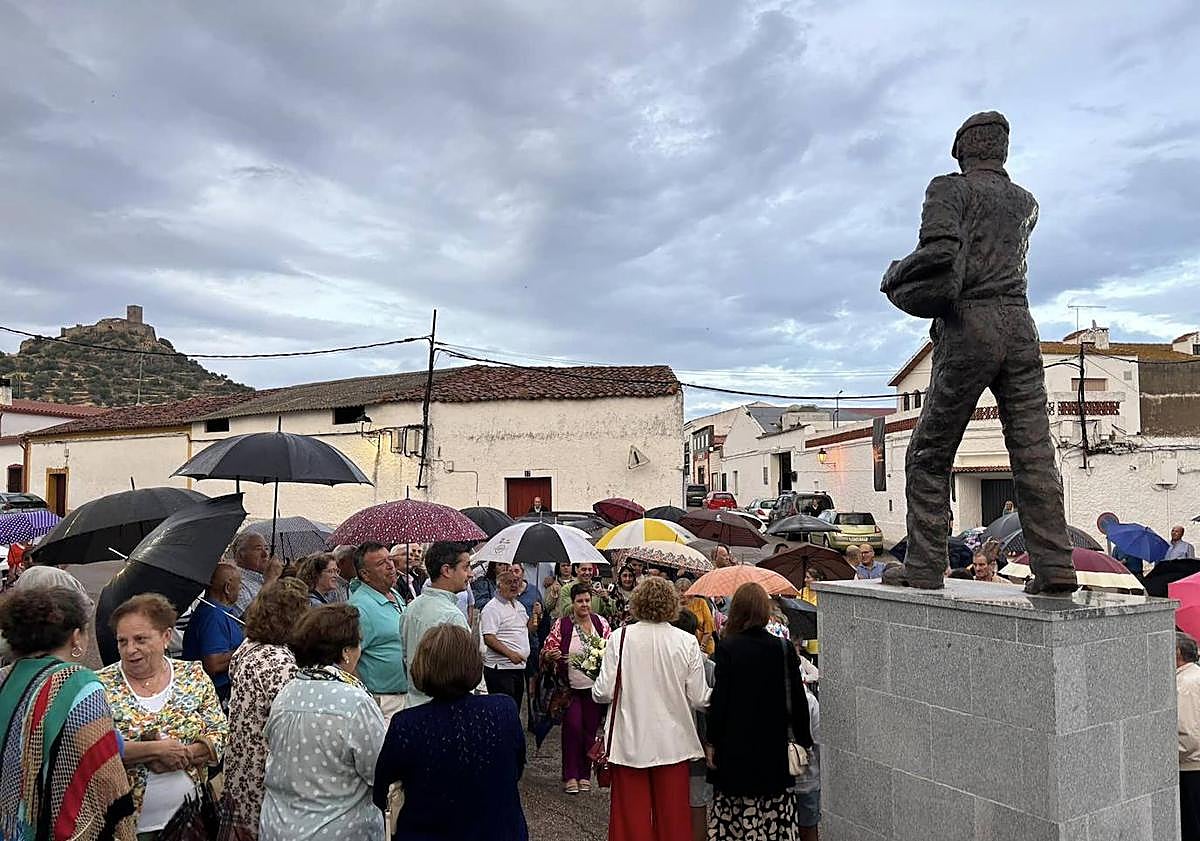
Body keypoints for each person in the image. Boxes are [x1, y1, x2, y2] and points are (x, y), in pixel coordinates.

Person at [879, 112, 1076, 595]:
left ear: (963, 150)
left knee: (928, 454)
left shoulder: (950, 189)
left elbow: (942, 253)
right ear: (1002, 150)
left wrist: (895, 272)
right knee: (1033, 452)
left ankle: (924, 566)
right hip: (1021, 327)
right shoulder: (1025, 202)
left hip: (971, 324)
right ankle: (1055, 566)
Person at [0, 587, 136, 840]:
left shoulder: (4, 678)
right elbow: (106, 774)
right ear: (76, 637)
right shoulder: (78, 683)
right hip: (56, 826)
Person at [375, 624, 527, 839]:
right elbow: (515, 770)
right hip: (500, 831)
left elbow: (381, 792)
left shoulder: (407, 725)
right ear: (473, 662)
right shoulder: (504, 710)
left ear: (422, 666)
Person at [97, 594, 227, 838]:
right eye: (122, 641)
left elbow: (220, 733)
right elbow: (95, 749)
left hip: (190, 823)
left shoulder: (193, 675)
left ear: (166, 637)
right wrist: (155, 750)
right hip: (125, 828)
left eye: (140, 639)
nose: (130, 649)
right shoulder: (99, 685)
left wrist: (186, 754)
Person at [593, 577, 711, 841]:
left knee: (630, 821)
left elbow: (603, 693)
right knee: (674, 821)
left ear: (637, 603)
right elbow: (700, 698)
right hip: (674, 744)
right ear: (672, 604)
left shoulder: (619, 637)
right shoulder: (687, 641)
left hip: (629, 742)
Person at [260, 604, 386, 841]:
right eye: (358, 644)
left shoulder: (287, 693)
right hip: (337, 830)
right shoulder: (355, 702)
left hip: (278, 826)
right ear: (346, 651)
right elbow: (379, 770)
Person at [705, 582, 812, 841]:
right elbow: (797, 698)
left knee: (737, 818)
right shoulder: (783, 648)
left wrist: (712, 741)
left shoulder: (728, 647)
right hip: (774, 745)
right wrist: (803, 740)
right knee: (775, 817)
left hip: (736, 747)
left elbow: (721, 700)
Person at [219, 578, 309, 841]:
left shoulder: (250, 646)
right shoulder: (279, 662)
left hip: (242, 767)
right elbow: (293, 723)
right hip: (263, 772)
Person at [544, 582, 612, 793]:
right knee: (572, 728)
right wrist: (551, 655)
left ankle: (584, 775)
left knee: (589, 731)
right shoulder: (562, 624)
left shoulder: (600, 623)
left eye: (587, 600)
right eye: (580, 601)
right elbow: (548, 647)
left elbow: (611, 649)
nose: (584, 605)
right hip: (570, 690)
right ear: (572, 603)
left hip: (594, 689)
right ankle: (570, 775)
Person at [401, 541, 474, 708]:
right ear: (446, 570)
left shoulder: (411, 608)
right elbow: (464, 672)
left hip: (413, 704)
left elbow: (405, 657)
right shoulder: (452, 616)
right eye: (465, 567)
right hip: (444, 708)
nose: (470, 574)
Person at [349, 541, 409, 722]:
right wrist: (365, 698)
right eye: (381, 563)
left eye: (390, 559)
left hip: (404, 696)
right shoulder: (359, 608)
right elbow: (347, 660)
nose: (390, 565)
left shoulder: (394, 594)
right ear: (365, 574)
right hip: (383, 702)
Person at [181, 562, 245, 706]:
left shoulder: (218, 612)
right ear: (227, 588)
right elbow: (213, 664)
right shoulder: (213, 616)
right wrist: (245, 650)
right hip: (215, 695)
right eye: (239, 584)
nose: (241, 589)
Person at [480, 568, 536, 706]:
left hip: (518, 668)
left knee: (514, 709)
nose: (514, 585)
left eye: (516, 582)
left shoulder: (519, 605)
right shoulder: (492, 608)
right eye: (509, 582)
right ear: (499, 586)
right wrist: (510, 654)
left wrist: (536, 615)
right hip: (500, 669)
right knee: (503, 709)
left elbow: (529, 629)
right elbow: (489, 637)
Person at [1179, 631, 1200, 841]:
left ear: (1178, 653)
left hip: (1190, 766)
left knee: (1191, 826)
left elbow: (1187, 732)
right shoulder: (1195, 675)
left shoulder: (1185, 683)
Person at [231, 532, 284, 612]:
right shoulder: (238, 584)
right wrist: (270, 581)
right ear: (241, 555)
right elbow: (248, 617)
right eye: (258, 549)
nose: (265, 554)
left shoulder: (264, 578)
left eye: (266, 548)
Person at [674, 578, 715, 655]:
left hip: (704, 647)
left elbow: (709, 628)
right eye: (677, 591)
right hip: (682, 648)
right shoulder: (674, 606)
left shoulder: (701, 603)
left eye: (683, 590)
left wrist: (701, 647)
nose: (680, 593)